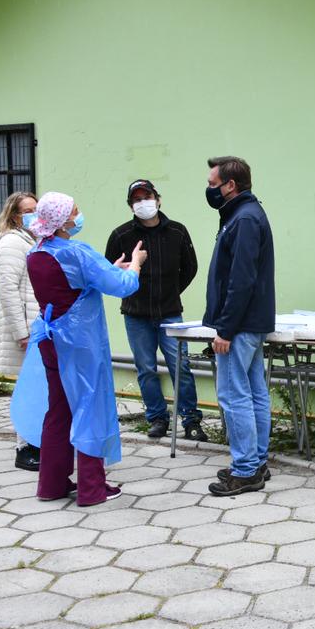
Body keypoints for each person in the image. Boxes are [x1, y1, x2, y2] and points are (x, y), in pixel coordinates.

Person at [9, 192, 146, 506]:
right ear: (62, 221)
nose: (78, 215)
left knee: (58, 410)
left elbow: (72, 285)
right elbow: (123, 286)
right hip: (80, 343)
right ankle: (92, 488)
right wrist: (135, 265)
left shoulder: (37, 253)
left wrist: (109, 268)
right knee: (89, 406)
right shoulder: (76, 251)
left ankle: (52, 483)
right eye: (74, 211)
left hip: (50, 339)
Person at [104, 179, 207, 442]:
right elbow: (108, 273)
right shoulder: (121, 235)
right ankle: (157, 418)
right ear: (130, 206)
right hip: (136, 315)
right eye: (136, 199)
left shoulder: (178, 232)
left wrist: (170, 293)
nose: (142, 203)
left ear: (158, 199)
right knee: (146, 368)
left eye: (146, 197)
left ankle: (191, 420)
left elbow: (190, 268)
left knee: (180, 366)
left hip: (170, 313)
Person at [202, 156, 276, 497]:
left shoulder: (244, 219)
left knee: (234, 395)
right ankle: (256, 462)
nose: (209, 189)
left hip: (240, 324)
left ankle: (246, 470)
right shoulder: (243, 215)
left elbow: (241, 279)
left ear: (230, 185)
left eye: (212, 184)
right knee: (254, 392)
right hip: (251, 321)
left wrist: (225, 328)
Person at [0, 191, 41, 470]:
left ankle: (38, 442)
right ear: (14, 215)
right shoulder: (11, 242)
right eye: (27, 210)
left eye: (36, 208)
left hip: (35, 322)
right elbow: (7, 289)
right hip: (25, 328)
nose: (33, 214)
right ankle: (25, 447)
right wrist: (22, 332)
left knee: (37, 387)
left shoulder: (30, 239)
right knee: (29, 390)